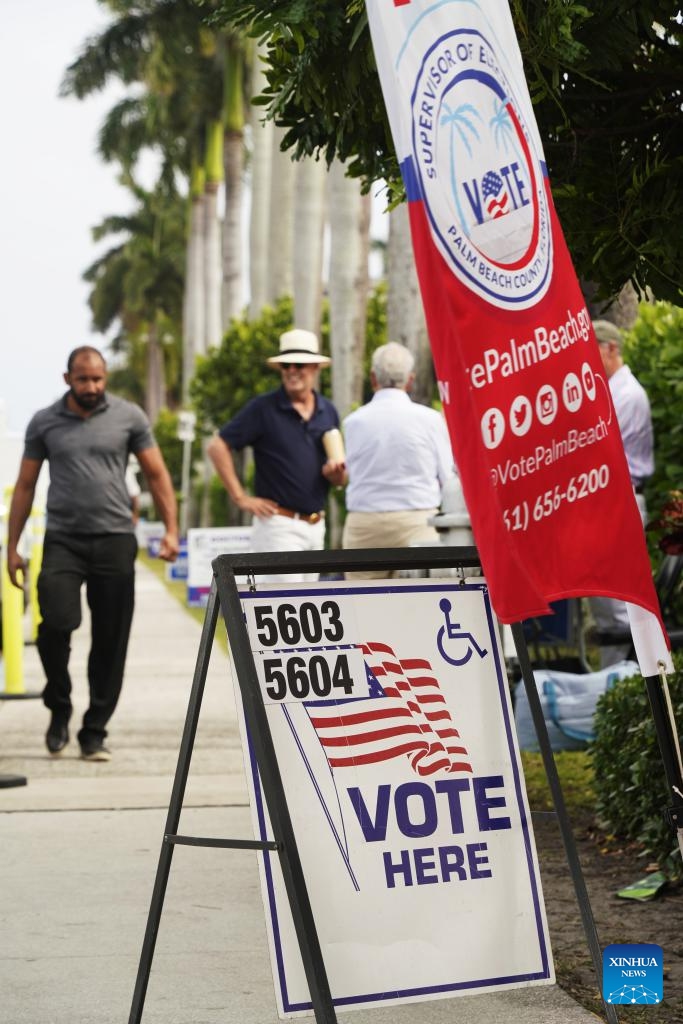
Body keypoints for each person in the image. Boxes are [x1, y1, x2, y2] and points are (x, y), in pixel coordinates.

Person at [6, 346, 179, 761]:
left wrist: (172, 530)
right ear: (68, 379)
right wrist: (12, 547)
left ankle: (94, 730)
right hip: (63, 539)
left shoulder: (129, 417)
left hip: (116, 539)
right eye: (83, 379)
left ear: (105, 379)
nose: (92, 386)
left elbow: (156, 473)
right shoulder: (45, 422)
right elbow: (26, 485)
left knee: (110, 639)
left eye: (98, 379)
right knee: (56, 624)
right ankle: (59, 703)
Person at [206, 328, 346, 582]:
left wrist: (335, 475)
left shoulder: (328, 411)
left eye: (299, 364)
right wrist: (240, 498)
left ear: (315, 367)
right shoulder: (263, 408)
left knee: (308, 610)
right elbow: (217, 446)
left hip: (316, 526)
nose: (292, 370)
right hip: (278, 526)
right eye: (286, 364)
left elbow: (339, 480)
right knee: (285, 609)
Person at [342, 341, 456, 580]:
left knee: (361, 607)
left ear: (373, 378)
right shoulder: (431, 419)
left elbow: (351, 473)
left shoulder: (353, 422)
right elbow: (448, 478)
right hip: (418, 522)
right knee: (422, 604)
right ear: (410, 380)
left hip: (365, 525)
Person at [590, 319, 654, 666]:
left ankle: (624, 684)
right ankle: (612, 684)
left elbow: (599, 449)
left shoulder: (626, 394)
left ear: (610, 349)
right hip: (611, 500)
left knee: (618, 607)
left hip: (620, 499)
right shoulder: (613, 390)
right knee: (607, 602)